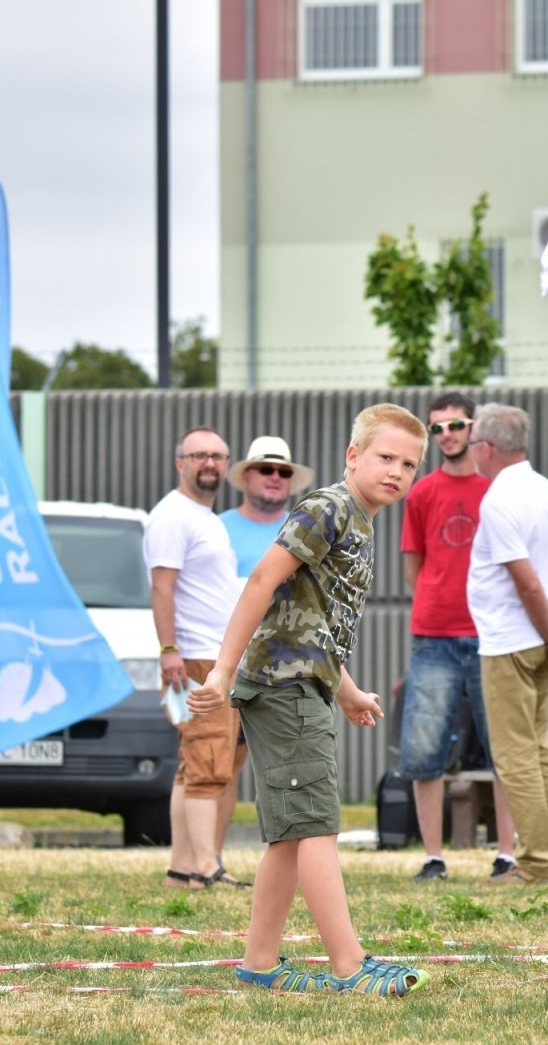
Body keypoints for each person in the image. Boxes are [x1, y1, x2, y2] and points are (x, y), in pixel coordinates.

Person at [188, 402, 431, 998]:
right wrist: (220, 671)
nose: (397, 471)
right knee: (318, 824)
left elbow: (313, 621)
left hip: (303, 683)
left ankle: (260, 964)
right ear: (353, 457)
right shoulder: (328, 508)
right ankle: (349, 966)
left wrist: (345, 690)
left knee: (294, 832)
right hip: (282, 686)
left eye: (409, 464)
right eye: (385, 458)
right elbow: (262, 582)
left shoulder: (362, 520)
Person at [466, 403, 548, 885]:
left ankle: (535, 863)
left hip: (512, 642)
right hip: (544, 642)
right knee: (538, 752)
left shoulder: (499, 499)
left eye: (475, 440)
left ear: (487, 447)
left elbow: (529, 585)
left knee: (515, 756)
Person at [398, 393, 517, 883]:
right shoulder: (421, 492)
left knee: (504, 748)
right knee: (423, 749)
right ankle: (433, 856)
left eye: (456, 425)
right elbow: (414, 567)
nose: (447, 434)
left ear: (474, 429)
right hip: (433, 635)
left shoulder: (498, 490)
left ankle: (508, 854)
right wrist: (437, 600)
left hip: (491, 635)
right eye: (438, 427)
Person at [144, 426, 247, 889]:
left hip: (213, 656)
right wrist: (170, 652)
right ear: (179, 463)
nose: (210, 463)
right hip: (194, 658)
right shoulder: (172, 516)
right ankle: (208, 868)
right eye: (199, 455)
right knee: (208, 761)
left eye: (218, 456)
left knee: (193, 764)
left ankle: (180, 869)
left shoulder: (209, 519)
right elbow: (161, 587)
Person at [221, 436, 315, 577]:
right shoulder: (217, 527)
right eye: (266, 469)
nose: (275, 477)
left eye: (284, 472)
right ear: (246, 476)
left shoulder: (306, 533)